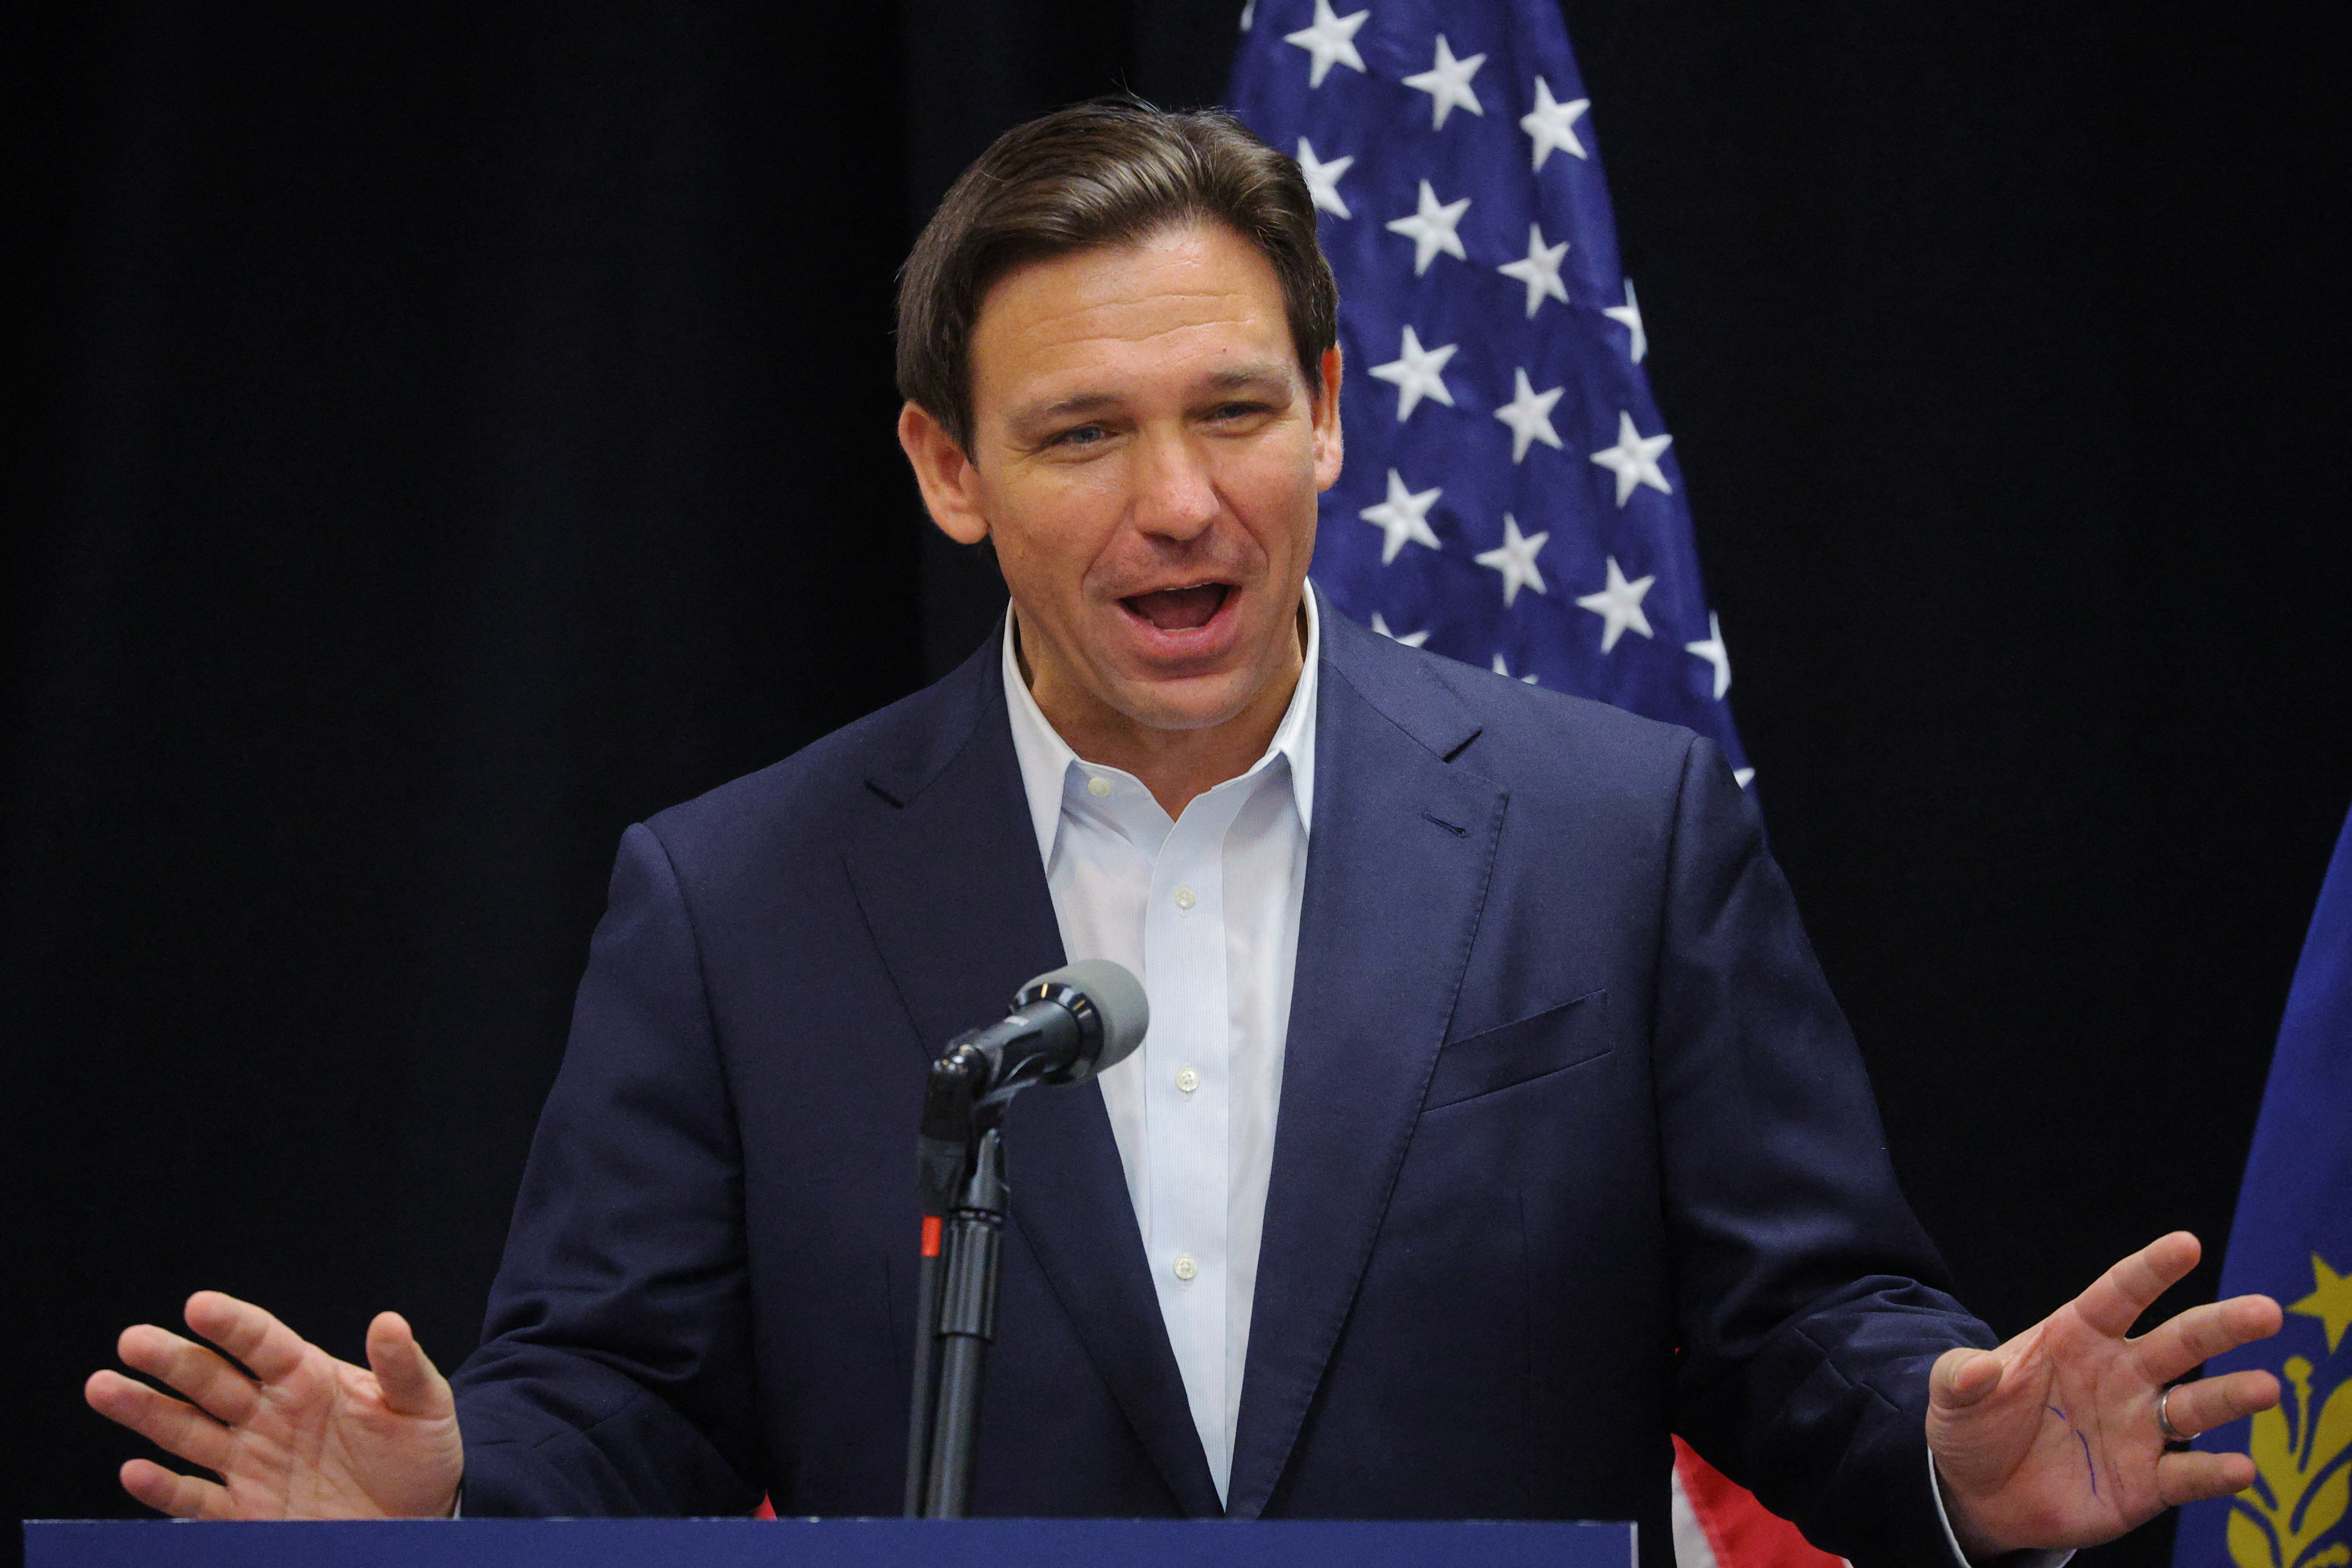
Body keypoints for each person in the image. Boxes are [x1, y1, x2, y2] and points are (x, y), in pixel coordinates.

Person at [84, 100, 2283, 1565]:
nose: (1176, 499)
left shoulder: (1614, 834)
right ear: (948, 470)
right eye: (1081, 433)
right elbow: (630, 1393)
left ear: (1330, 409)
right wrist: (457, 1486)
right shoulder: (732, 892)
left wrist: (1944, 1444)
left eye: (1234, 407)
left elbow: (1802, 1325)